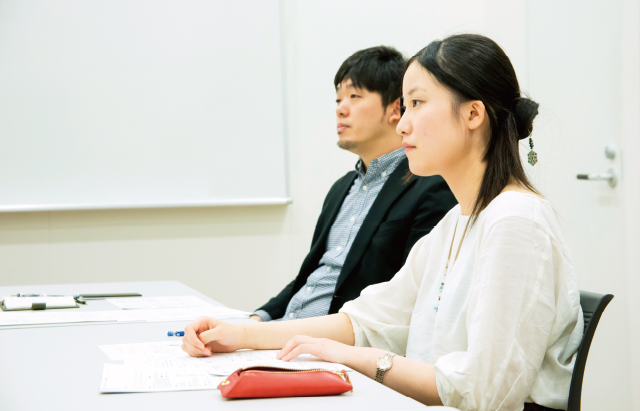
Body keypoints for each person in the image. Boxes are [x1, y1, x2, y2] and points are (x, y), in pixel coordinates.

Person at [182, 34, 583, 411]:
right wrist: (240, 335)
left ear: (473, 113)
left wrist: (356, 358)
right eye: (404, 106)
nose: (403, 123)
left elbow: (483, 390)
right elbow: (365, 321)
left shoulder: (516, 222)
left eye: (418, 103)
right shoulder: (456, 222)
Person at [250, 46, 456, 322]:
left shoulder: (430, 186)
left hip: (337, 345)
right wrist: (258, 320)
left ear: (397, 108)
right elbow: (310, 278)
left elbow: (408, 302)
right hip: (285, 332)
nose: (340, 109)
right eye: (337, 100)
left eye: (354, 96)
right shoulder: (341, 189)